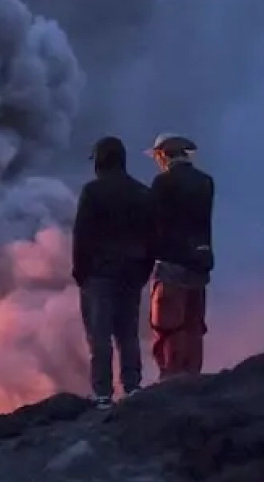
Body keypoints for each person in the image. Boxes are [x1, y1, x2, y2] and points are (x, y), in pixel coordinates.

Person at [72, 136, 155, 408]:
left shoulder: (93, 192)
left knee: (100, 335)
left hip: (100, 273)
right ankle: (132, 386)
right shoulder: (142, 192)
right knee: (128, 332)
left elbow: (82, 234)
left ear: (99, 160)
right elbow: (151, 236)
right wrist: (144, 270)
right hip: (132, 272)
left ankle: (103, 394)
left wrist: (80, 272)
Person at [146, 132, 215, 379]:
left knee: (168, 327)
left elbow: (153, 225)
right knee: (194, 326)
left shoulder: (162, 184)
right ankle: (193, 377)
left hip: (171, 266)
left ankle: (172, 380)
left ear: (163, 154)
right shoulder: (205, 182)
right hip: (200, 266)